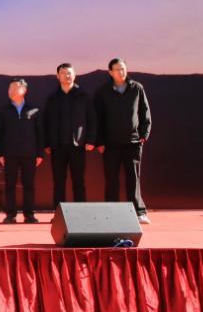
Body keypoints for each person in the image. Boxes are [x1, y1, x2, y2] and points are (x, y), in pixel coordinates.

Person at [94, 58, 152, 223]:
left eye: (123, 69)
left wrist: (144, 135)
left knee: (133, 178)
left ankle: (139, 212)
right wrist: (99, 142)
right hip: (110, 144)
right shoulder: (102, 91)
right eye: (117, 69)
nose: (121, 72)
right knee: (111, 179)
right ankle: (111, 214)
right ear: (110, 72)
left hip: (133, 142)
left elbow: (145, 112)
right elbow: (97, 118)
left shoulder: (137, 88)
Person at [42, 62, 95, 207]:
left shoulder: (83, 96)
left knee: (79, 181)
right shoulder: (52, 98)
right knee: (59, 182)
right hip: (57, 146)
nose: (67, 76)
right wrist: (46, 143)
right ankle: (59, 213)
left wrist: (90, 140)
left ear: (75, 75)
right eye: (64, 73)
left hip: (78, 146)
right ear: (58, 76)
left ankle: (81, 213)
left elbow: (92, 119)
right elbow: (46, 121)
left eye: (70, 73)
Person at [0, 79, 44, 224]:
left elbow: (40, 133)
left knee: (29, 185)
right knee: (9, 185)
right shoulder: (3, 110)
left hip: (29, 154)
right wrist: (0, 153)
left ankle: (29, 215)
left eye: (15, 88)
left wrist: (39, 153)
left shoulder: (34, 110)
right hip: (10, 154)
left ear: (24, 90)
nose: (11, 91)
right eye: (10, 88)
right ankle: (10, 214)